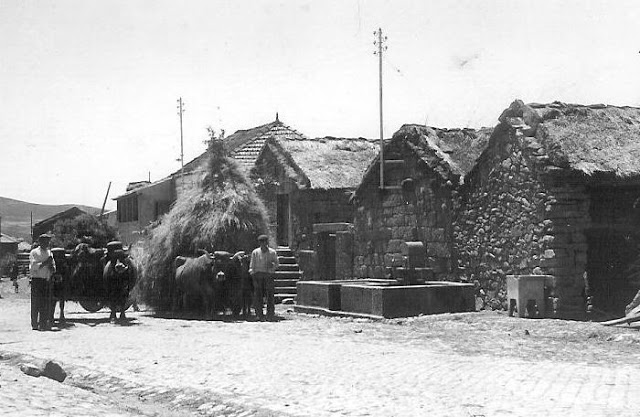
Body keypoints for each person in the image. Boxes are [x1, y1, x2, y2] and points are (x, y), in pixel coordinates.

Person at [249, 234, 279, 321]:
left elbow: (277, 263)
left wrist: (272, 267)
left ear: (267, 243)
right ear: (259, 243)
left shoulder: (272, 252)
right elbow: (252, 265)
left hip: (268, 275)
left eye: (264, 242)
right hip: (258, 275)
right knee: (258, 295)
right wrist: (252, 274)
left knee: (270, 295)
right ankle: (259, 314)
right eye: (261, 242)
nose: (263, 244)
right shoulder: (255, 252)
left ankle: (270, 314)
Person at [29, 233, 56, 331]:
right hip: (37, 280)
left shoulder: (49, 253)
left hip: (46, 280)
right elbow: (33, 267)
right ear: (40, 242)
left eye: (48, 241)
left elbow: (53, 267)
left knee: (45, 303)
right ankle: (35, 323)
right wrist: (45, 263)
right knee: (36, 303)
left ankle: (43, 323)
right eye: (44, 241)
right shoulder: (34, 252)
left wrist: (51, 267)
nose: (46, 243)